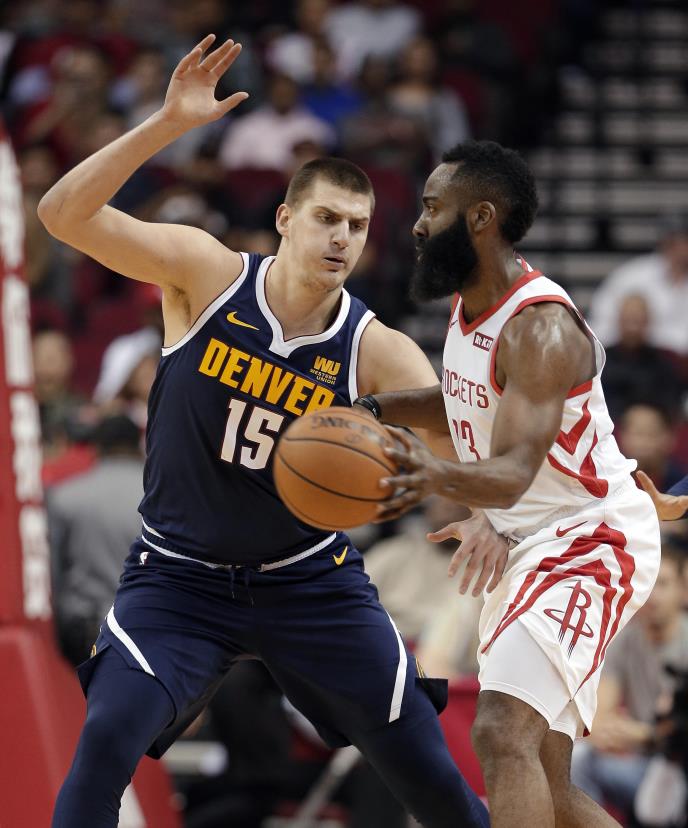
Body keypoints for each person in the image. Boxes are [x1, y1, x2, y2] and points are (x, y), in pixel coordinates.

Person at [38, 36, 490, 828]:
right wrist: (167, 125)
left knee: (430, 776)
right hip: (178, 579)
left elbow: (464, 447)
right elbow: (60, 215)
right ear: (285, 219)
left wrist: (484, 509)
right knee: (105, 739)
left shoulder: (378, 350)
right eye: (326, 218)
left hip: (309, 582)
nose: (342, 237)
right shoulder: (205, 274)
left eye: (357, 224)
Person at [354, 140, 662, 827]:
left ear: (481, 218)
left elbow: (516, 469)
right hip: (533, 540)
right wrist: (369, 408)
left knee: (500, 732)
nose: (417, 224)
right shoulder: (471, 307)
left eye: (433, 207)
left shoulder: (540, 328)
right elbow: (462, 405)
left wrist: (431, 472)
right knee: (548, 783)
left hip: (593, 540)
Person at [570, 543, 688, 822]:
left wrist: (648, 736)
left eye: (663, 584)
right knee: (577, 760)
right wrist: (637, 735)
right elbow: (597, 721)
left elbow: (676, 734)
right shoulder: (625, 639)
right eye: (649, 583)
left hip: (680, 765)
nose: (654, 595)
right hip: (641, 764)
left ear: (682, 591)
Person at [49, 414, 144, 666]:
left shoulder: (66, 496)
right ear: (138, 445)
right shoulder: (160, 496)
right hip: (148, 625)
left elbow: (53, 574)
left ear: (97, 446)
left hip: (85, 629)